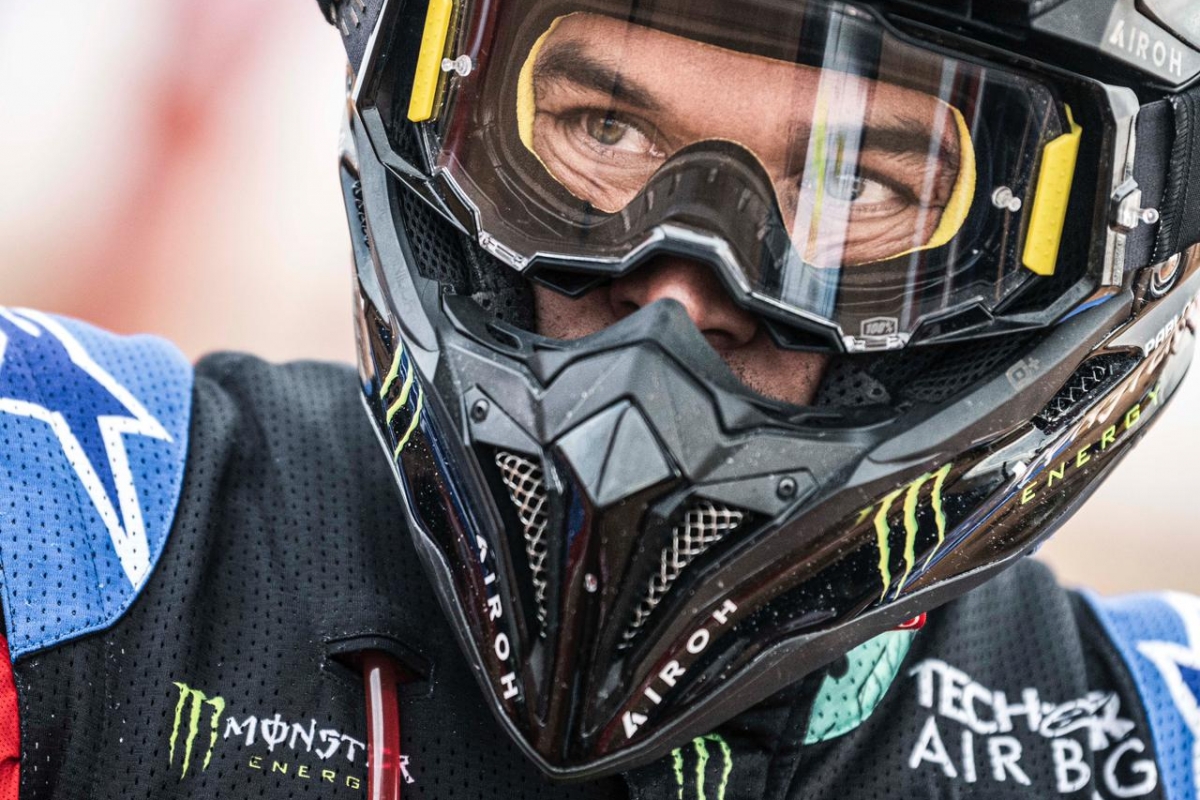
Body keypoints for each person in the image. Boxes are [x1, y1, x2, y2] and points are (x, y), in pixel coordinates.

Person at [3, 0, 1200, 797]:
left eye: (857, 184)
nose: (679, 294)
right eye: (605, 127)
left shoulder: (1157, 741)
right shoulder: (67, 520)